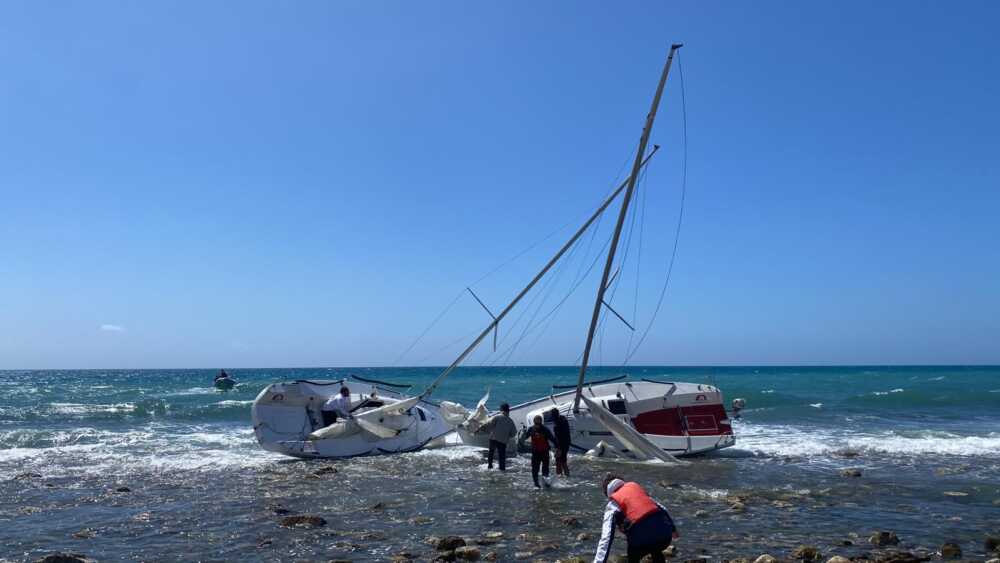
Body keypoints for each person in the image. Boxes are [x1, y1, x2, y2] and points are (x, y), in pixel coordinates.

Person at [593, 473, 678, 563]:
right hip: (665, 537)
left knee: (633, 555)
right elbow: (662, 508)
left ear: (607, 493)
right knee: (656, 548)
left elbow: (606, 537)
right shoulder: (636, 490)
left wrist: (599, 561)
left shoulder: (613, 504)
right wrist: (673, 530)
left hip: (641, 542)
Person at [520, 414, 558, 488]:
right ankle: (536, 484)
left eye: (539, 423)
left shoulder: (545, 429)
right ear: (534, 422)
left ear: (541, 422)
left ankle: (546, 483)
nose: (537, 425)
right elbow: (524, 438)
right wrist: (523, 432)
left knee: (545, 469)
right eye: (536, 423)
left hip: (545, 452)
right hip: (535, 452)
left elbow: (553, 439)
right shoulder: (531, 429)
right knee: (535, 469)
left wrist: (558, 448)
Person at [478, 402, 517, 471]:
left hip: (494, 438)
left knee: (491, 453)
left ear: (501, 409)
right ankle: (502, 470)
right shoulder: (510, 421)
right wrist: (507, 435)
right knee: (502, 456)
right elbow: (513, 433)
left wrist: (480, 428)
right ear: (508, 411)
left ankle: (490, 467)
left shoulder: (497, 417)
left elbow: (489, 424)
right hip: (503, 441)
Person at [549, 407, 572, 477]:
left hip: (561, 445)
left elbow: (558, 437)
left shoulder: (557, 424)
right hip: (567, 443)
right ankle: (566, 475)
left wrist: (558, 448)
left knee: (559, 461)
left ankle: (559, 476)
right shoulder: (563, 419)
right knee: (563, 460)